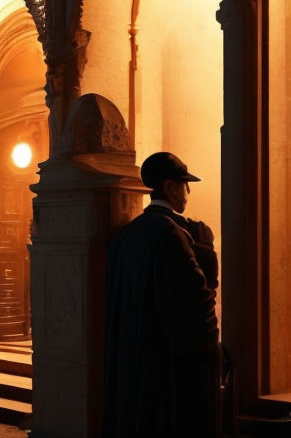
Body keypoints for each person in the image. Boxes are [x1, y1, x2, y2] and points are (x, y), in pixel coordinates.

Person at [103, 151, 221, 438]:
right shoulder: (172, 233)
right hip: (168, 366)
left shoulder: (126, 234)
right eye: (185, 184)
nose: (188, 192)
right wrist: (212, 353)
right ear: (170, 187)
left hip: (133, 360)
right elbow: (198, 303)